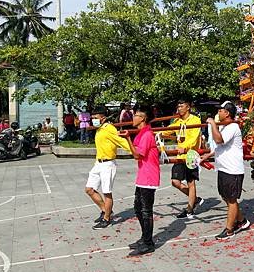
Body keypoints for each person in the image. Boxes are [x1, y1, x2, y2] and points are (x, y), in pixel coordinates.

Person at [206, 101, 250, 240]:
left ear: (227, 113)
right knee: (226, 197)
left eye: (221, 110)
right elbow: (219, 147)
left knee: (231, 199)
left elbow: (219, 140)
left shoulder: (232, 127)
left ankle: (229, 230)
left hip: (232, 170)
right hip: (224, 169)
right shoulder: (225, 127)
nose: (218, 112)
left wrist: (212, 124)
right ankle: (242, 221)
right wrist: (206, 156)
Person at [119, 105, 160, 255]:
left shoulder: (147, 134)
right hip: (143, 176)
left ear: (142, 118)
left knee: (146, 210)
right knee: (138, 208)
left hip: (149, 176)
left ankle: (148, 243)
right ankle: (145, 237)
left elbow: (137, 155)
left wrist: (127, 138)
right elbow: (135, 150)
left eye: (136, 115)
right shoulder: (142, 133)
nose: (133, 117)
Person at [85, 106, 131, 229]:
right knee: (89, 189)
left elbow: (121, 141)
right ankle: (105, 210)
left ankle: (106, 218)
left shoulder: (109, 128)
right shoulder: (99, 128)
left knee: (107, 193)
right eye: (92, 118)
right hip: (98, 163)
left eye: (96, 118)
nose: (93, 120)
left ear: (103, 118)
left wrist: (135, 150)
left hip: (108, 164)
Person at [163, 99, 204, 219]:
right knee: (175, 181)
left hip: (191, 154)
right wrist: (157, 133)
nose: (179, 108)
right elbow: (168, 130)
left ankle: (190, 209)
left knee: (191, 182)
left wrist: (185, 147)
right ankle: (195, 199)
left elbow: (194, 138)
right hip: (180, 156)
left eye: (182, 106)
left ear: (188, 107)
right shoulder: (178, 121)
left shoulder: (195, 120)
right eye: (178, 106)